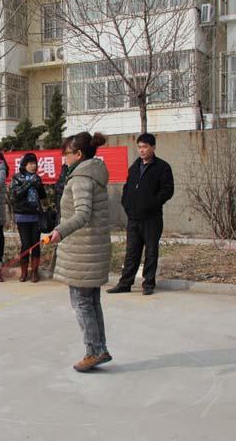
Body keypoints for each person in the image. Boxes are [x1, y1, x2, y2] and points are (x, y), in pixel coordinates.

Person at [48, 131, 112, 373]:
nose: (63, 158)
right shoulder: (93, 174)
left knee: (83, 303)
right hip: (90, 249)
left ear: (78, 154)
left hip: (83, 252)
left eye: (66, 153)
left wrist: (60, 231)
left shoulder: (81, 179)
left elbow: (82, 214)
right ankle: (99, 348)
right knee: (91, 301)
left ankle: (93, 351)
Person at [108, 133, 174, 296]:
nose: (142, 150)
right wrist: (126, 205)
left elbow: (167, 191)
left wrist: (151, 204)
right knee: (131, 252)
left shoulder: (162, 167)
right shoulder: (134, 167)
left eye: (145, 147)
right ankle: (125, 283)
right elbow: (127, 189)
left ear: (153, 147)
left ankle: (148, 284)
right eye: (139, 147)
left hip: (152, 218)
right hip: (133, 218)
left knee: (151, 251)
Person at [10, 153, 46, 283]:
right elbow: (15, 195)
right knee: (26, 244)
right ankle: (24, 272)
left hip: (35, 215)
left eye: (35, 163)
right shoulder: (16, 178)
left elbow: (42, 196)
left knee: (36, 244)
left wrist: (39, 185)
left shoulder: (37, 178)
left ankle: (35, 272)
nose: (33, 166)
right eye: (30, 163)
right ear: (24, 165)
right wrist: (29, 183)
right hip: (22, 216)